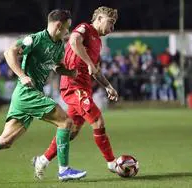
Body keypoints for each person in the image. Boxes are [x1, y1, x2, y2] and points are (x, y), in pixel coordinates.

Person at [0, 9, 87, 181]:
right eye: (67, 28)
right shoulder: (35, 39)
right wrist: (22, 75)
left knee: (5, 141)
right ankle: (63, 170)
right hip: (28, 93)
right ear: (58, 25)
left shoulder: (58, 45)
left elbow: (55, 66)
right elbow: (9, 52)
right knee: (65, 122)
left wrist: (69, 72)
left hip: (26, 96)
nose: (68, 31)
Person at [33, 6, 119, 179]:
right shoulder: (85, 29)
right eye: (111, 23)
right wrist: (88, 62)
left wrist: (108, 86)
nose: (112, 28)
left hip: (83, 87)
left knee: (70, 131)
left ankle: (42, 160)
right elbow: (73, 40)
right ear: (100, 18)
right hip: (74, 86)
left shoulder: (98, 42)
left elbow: (95, 70)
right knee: (97, 120)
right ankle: (112, 163)